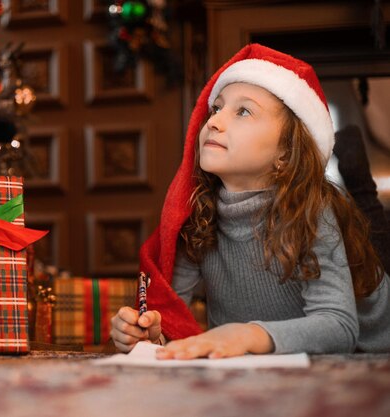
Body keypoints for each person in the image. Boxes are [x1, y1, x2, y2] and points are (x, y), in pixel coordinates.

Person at [110, 43, 390, 358]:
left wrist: (248, 335)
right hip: (276, 367)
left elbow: (340, 328)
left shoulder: (312, 212)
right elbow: (170, 317)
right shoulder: (199, 219)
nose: (213, 121)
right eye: (216, 108)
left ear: (285, 153)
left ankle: (361, 183)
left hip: (372, 356)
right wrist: (148, 332)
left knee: (373, 229)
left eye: (243, 111)